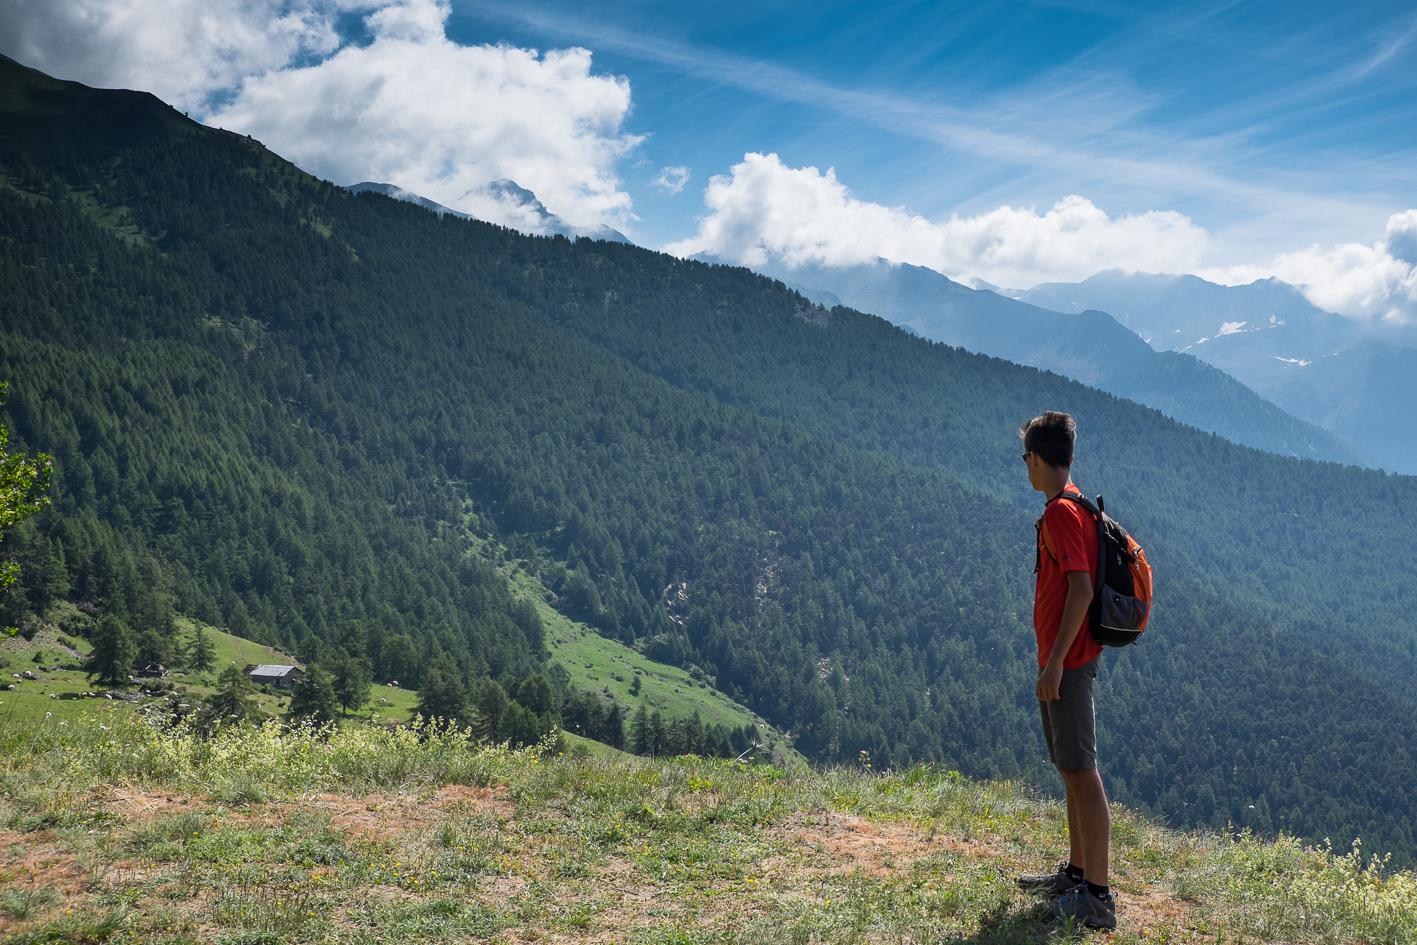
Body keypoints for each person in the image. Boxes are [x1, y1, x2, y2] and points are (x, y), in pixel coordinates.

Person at [1015, 410, 1116, 930]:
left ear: (1036, 458)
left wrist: (1055, 663)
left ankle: (1097, 898)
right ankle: (1077, 875)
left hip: (1069, 663)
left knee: (1082, 771)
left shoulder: (1060, 513)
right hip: (1068, 660)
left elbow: (1080, 589)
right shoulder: (1074, 504)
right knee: (1070, 769)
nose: (1025, 467)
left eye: (1025, 458)